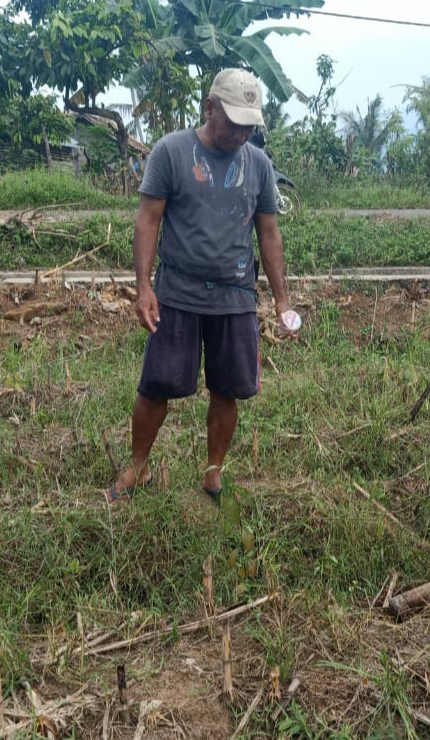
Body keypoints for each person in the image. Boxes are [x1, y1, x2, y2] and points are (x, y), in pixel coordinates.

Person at [106, 68, 296, 505]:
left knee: (227, 388)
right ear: (210, 108)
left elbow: (269, 233)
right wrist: (143, 288)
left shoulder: (259, 164)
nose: (241, 133)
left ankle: (214, 471)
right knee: (157, 385)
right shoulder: (172, 152)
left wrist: (282, 299)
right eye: (234, 122)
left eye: (250, 125)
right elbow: (148, 220)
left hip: (235, 296)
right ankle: (138, 465)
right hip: (177, 293)